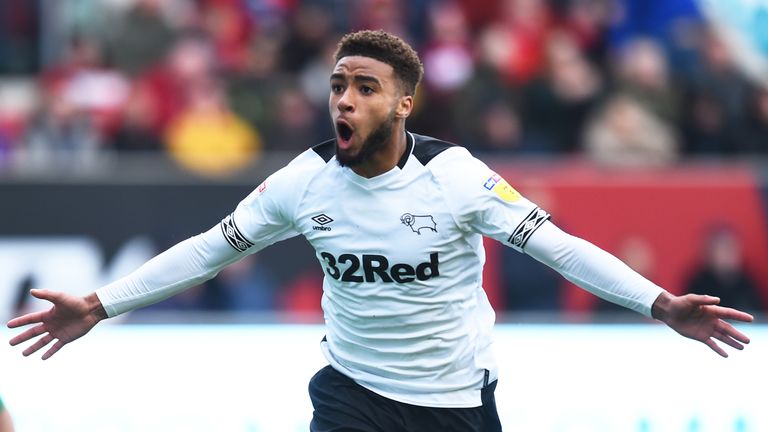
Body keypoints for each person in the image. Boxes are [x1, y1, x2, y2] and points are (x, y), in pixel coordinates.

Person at [7, 30, 753, 432]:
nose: (346, 99)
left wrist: (661, 305)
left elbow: (558, 247)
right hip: (351, 396)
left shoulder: (457, 176)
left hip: (455, 405)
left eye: (366, 87)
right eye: (338, 85)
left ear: (404, 105)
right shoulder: (305, 182)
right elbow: (209, 250)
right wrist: (101, 306)